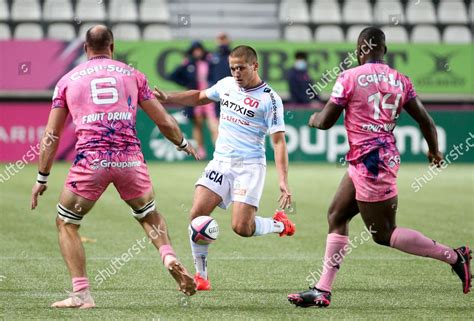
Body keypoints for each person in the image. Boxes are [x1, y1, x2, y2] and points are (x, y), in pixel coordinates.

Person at [287, 27, 471, 308]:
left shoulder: (349, 77)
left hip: (373, 164)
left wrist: (312, 118)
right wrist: (434, 151)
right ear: (383, 50)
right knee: (337, 215)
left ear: (360, 50)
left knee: (384, 235)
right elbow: (426, 121)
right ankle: (322, 290)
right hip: (370, 160)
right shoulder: (400, 79)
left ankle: (455, 256)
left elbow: (325, 122)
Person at [30, 25, 198, 309]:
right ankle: (168, 254)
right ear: (112, 47)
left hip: (91, 160)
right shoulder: (132, 74)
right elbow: (164, 121)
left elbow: (51, 136)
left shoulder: (67, 80)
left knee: (67, 222)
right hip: (129, 159)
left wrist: (42, 177)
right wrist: (183, 144)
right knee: (148, 215)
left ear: (86, 49)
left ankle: (82, 294)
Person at [154, 45, 296, 291]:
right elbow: (199, 97)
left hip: (249, 166)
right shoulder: (227, 84)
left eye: (241, 68)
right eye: (233, 68)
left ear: (255, 66)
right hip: (220, 162)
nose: (237, 72)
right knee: (196, 215)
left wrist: (283, 180)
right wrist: (169, 97)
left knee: (242, 228)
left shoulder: (270, 100)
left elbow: (278, 142)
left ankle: (279, 224)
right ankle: (201, 277)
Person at [169, 41, 218, 159]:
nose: (197, 52)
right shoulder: (189, 63)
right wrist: (186, 83)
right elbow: (173, 75)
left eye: (199, 50)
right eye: (195, 50)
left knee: (214, 124)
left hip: (209, 95)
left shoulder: (210, 61)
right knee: (198, 125)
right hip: (195, 96)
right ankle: (200, 150)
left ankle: (218, 150)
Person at [210, 32, 232, 118]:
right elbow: (209, 73)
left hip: (231, 90)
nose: (222, 41)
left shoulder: (233, 55)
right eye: (220, 39)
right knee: (217, 115)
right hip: (218, 89)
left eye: (224, 39)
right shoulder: (213, 56)